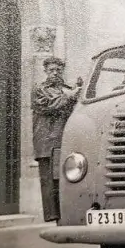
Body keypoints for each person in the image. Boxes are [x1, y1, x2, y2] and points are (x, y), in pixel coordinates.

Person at [32, 57, 82, 222]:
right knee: (49, 182)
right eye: (51, 69)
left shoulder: (68, 90)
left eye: (58, 70)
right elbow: (47, 106)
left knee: (67, 177)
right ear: (45, 71)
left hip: (65, 138)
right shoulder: (39, 89)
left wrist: (78, 91)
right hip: (46, 141)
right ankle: (54, 216)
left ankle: (67, 213)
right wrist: (71, 95)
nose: (55, 73)